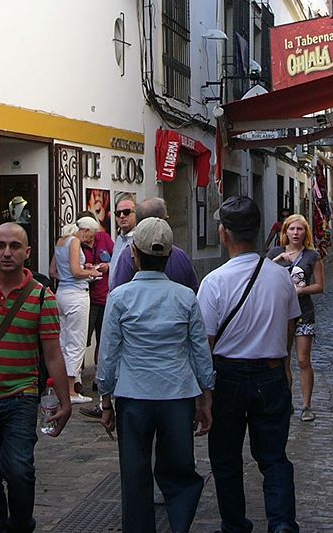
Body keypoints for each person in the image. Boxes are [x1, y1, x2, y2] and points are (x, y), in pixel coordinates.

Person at [96, 217, 214, 533]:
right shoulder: (185, 297)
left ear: (134, 254)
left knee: (134, 474)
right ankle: (179, 524)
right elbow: (199, 351)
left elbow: (108, 353)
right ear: (169, 255)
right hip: (177, 394)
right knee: (180, 468)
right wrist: (206, 396)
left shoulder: (120, 297)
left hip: (134, 396)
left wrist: (105, 399)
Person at [0, 222, 72, 533]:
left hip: (21, 397)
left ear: (27, 252)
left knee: (20, 470)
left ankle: (20, 525)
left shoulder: (41, 297)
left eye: (15, 246)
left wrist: (65, 400)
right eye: (1, 245)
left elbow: (52, 354)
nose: (7, 252)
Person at [197, 195, 301, 533]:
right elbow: (289, 328)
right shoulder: (281, 277)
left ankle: (235, 525)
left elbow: (205, 344)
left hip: (228, 376)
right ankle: (282, 524)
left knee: (226, 459)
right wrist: (282, 366)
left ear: (224, 233)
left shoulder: (214, 282)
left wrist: (205, 394)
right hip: (270, 373)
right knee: (274, 458)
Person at [267, 214, 325, 422]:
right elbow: (261, 276)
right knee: (283, 359)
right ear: (285, 232)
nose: (295, 233)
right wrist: (277, 261)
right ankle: (286, 401)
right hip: (281, 314)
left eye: (300, 229)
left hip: (303, 313)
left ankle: (306, 405)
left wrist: (301, 291)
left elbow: (319, 286)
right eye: (292, 229)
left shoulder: (312, 256)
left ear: (305, 233)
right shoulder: (275, 253)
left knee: (303, 360)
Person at [54, 217, 104, 403]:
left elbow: (53, 271)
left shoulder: (60, 241)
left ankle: (60, 387)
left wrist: (81, 270)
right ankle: (71, 391)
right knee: (76, 343)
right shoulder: (74, 241)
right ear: (85, 230)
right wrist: (92, 272)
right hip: (76, 296)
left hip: (61, 293)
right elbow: (76, 271)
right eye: (91, 235)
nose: (90, 239)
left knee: (63, 341)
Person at [110, 197, 200, 291]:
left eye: (126, 212)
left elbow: (117, 293)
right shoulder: (181, 256)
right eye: (118, 213)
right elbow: (193, 291)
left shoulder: (128, 255)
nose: (122, 216)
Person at [79, 211, 114, 417]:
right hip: (87, 298)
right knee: (81, 339)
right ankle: (77, 378)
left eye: (91, 232)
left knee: (104, 339)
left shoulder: (104, 238)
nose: (89, 237)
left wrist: (107, 265)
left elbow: (116, 258)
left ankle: (98, 379)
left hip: (105, 297)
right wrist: (86, 268)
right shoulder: (76, 243)